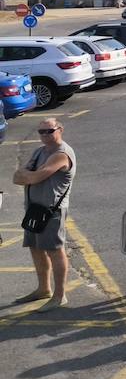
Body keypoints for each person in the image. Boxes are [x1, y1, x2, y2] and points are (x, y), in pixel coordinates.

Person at [12, 120, 75, 310]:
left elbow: (36, 176)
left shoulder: (61, 154)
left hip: (51, 210)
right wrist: (28, 175)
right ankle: (43, 289)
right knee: (35, 247)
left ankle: (59, 295)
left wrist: (29, 175)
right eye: (41, 132)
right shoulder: (40, 151)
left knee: (55, 250)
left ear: (60, 130)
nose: (45, 135)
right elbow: (17, 177)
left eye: (49, 131)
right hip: (34, 209)